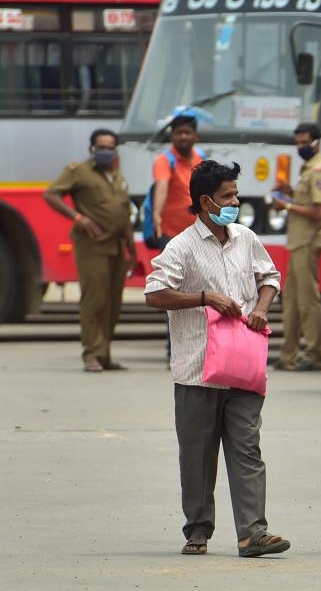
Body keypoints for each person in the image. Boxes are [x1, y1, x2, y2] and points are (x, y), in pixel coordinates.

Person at [144, 159, 290, 558]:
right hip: (196, 371)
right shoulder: (182, 247)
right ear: (206, 201)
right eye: (229, 196)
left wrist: (262, 306)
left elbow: (270, 277)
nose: (236, 201)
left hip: (243, 368)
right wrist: (205, 298)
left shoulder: (245, 237)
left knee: (247, 450)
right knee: (197, 457)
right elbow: (155, 293)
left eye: (236, 194)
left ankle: (252, 534)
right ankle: (198, 531)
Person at [43, 128, 136, 372]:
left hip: (117, 246)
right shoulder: (79, 172)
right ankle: (91, 355)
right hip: (92, 245)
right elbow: (51, 194)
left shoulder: (117, 176)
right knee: (94, 300)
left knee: (113, 302)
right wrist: (77, 218)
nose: (105, 152)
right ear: (91, 149)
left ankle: (104, 354)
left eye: (110, 147)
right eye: (101, 147)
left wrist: (131, 248)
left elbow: (124, 214)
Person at [272, 122, 321, 371]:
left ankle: (315, 354)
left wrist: (286, 206)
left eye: (304, 142)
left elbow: (319, 211)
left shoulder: (318, 171)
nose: (300, 146)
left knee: (308, 301)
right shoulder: (308, 169)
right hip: (298, 242)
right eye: (297, 142)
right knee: (292, 300)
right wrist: (291, 193)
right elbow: (307, 202)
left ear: (317, 142)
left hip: (307, 241)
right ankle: (289, 354)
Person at [151, 112, 204, 248]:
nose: (183, 136)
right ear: (172, 136)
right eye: (178, 132)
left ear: (196, 136)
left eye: (187, 132)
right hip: (171, 236)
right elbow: (161, 187)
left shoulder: (202, 158)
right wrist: (156, 215)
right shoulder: (164, 160)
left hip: (199, 234)